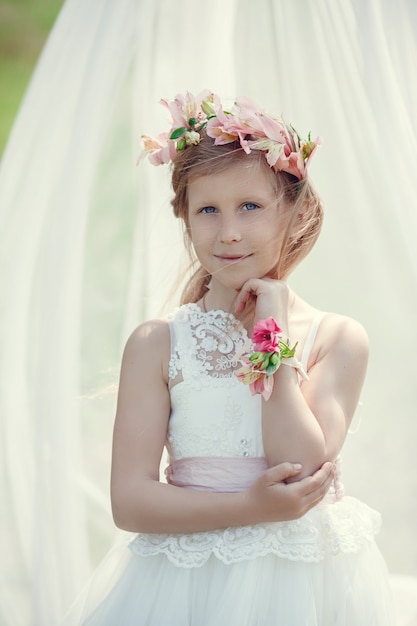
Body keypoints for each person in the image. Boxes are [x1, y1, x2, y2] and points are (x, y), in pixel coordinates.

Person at [62, 90, 394, 625]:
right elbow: (130, 502)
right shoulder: (156, 343)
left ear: (294, 211)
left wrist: (273, 336)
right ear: (185, 218)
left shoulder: (337, 338)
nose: (230, 231)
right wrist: (248, 510)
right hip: (183, 584)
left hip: (302, 583)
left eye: (251, 207)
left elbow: (301, 468)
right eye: (208, 211)